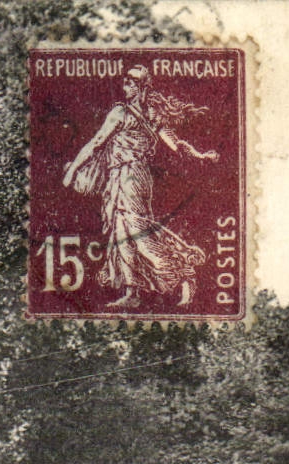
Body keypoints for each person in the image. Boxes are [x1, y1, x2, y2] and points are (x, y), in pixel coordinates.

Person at [63, 64, 219, 309]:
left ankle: (183, 272)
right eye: (125, 81)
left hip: (130, 177)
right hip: (126, 177)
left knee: (137, 231)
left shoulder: (124, 113)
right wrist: (199, 155)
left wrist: (72, 170)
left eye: (130, 82)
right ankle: (132, 290)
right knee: (122, 232)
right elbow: (175, 143)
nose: (125, 86)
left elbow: (97, 142)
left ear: (140, 87)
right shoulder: (146, 114)